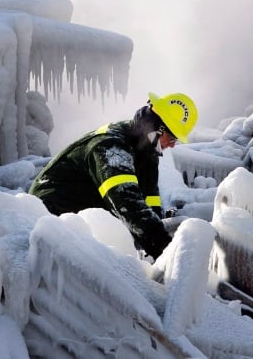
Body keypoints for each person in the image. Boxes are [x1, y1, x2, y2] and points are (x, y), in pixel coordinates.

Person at [29, 92, 198, 259]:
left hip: (81, 219)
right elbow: (127, 203)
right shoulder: (110, 145)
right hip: (47, 214)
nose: (172, 145)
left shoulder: (147, 154)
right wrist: (166, 252)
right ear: (158, 128)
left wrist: (159, 231)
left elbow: (149, 203)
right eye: (172, 137)